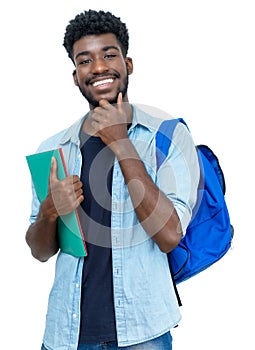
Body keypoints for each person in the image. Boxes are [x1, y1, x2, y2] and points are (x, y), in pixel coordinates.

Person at [26, 9, 200, 350]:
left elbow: (169, 235)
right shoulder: (53, 150)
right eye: (85, 60)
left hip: (143, 333)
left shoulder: (166, 137)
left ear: (128, 63)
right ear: (76, 76)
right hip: (66, 334)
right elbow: (39, 250)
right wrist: (50, 211)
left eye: (109, 55)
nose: (99, 67)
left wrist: (121, 142)